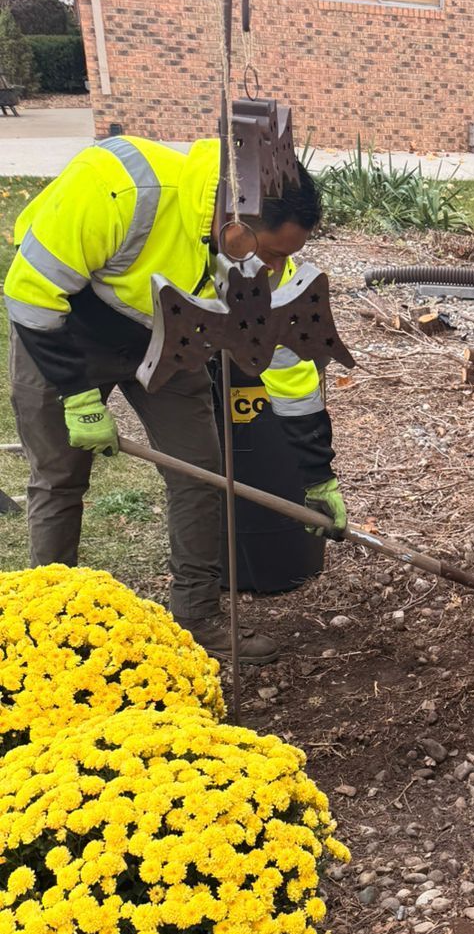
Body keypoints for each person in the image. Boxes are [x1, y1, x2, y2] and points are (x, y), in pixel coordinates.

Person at [3, 135, 347, 663]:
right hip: (65, 329)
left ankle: (198, 618)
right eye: (275, 253)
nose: (277, 269)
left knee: (199, 472)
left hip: (165, 337)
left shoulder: (250, 262)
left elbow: (285, 363)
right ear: (235, 228)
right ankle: (50, 625)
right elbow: (30, 293)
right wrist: (77, 396)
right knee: (58, 476)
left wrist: (316, 473)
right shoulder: (119, 185)